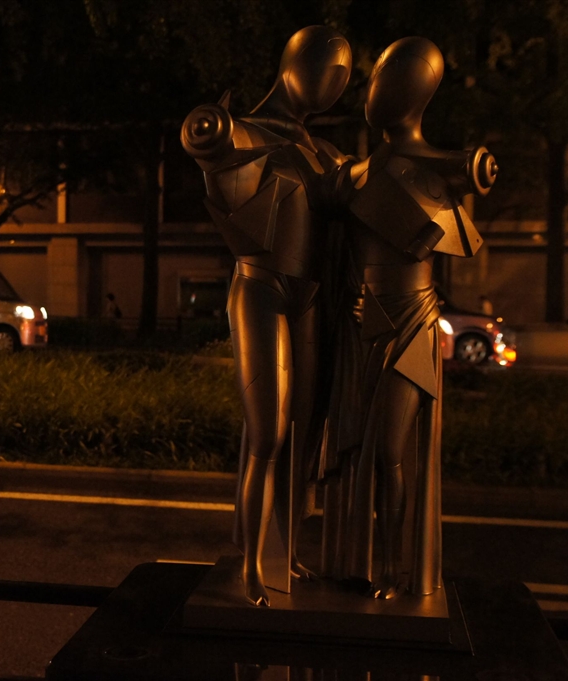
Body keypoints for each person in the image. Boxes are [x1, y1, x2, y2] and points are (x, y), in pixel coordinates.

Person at [318, 37, 497, 599]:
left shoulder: (444, 169)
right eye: (376, 76)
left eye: (395, 76)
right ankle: (357, 562)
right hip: (359, 323)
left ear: (422, 90)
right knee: (357, 449)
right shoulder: (352, 176)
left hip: (410, 323)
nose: (379, 88)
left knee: (391, 451)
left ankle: (397, 567)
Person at [182, 26, 352, 606]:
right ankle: (253, 564)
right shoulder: (246, 131)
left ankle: (286, 552)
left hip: (311, 294)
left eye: (344, 77)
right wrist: (210, 133)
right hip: (260, 287)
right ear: (293, 63)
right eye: (328, 68)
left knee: (303, 433)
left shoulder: (324, 153)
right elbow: (211, 144)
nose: (335, 85)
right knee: (268, 432)